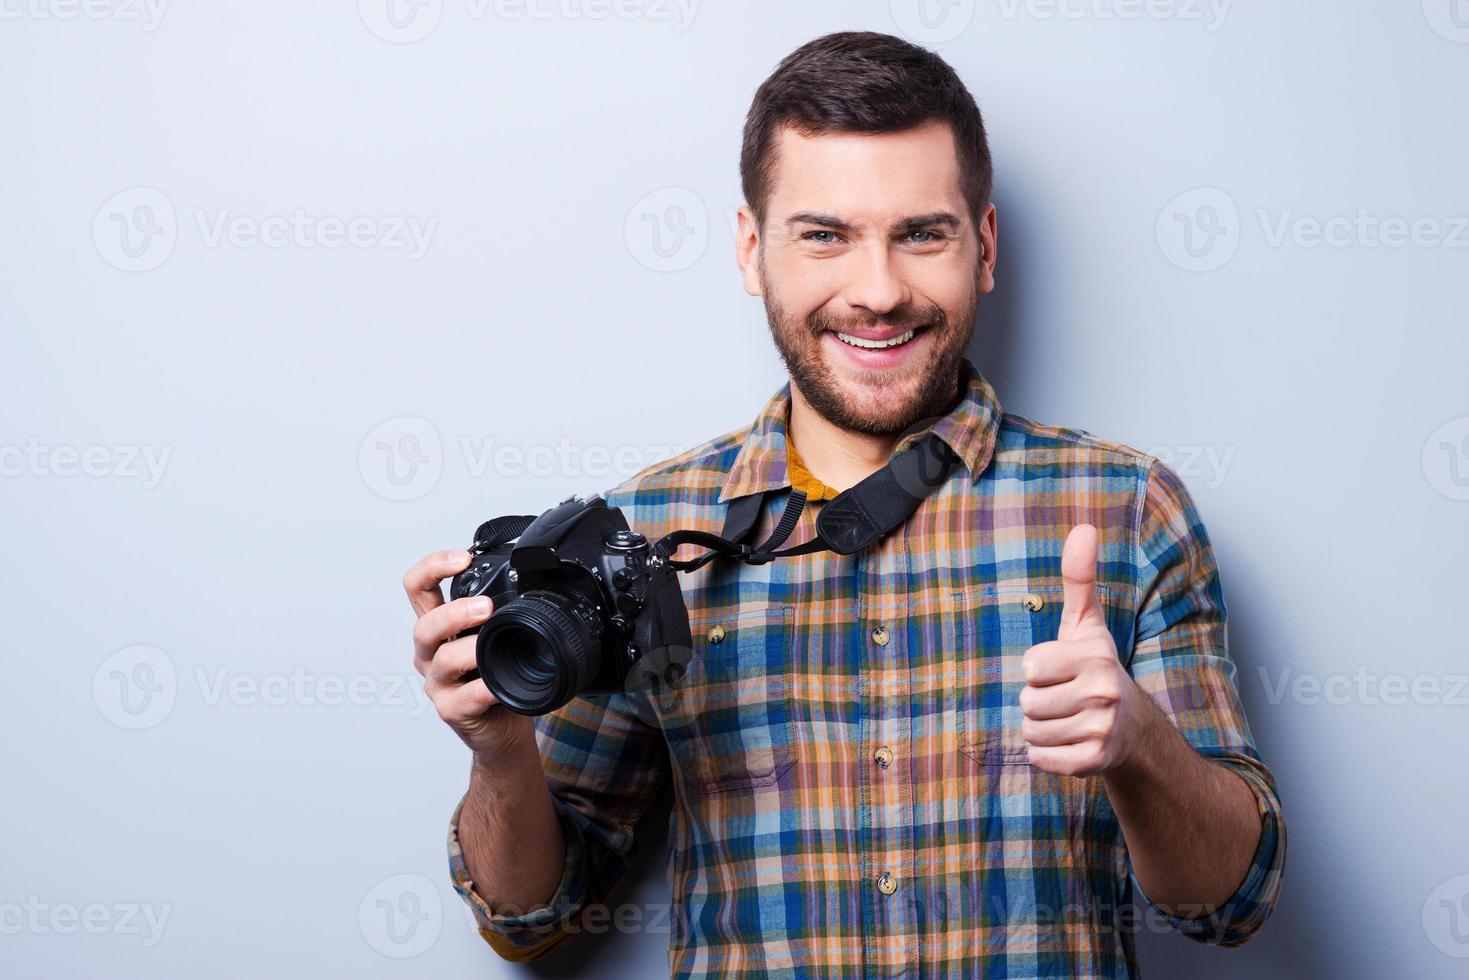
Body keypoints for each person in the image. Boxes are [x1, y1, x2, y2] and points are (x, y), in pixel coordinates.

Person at [404, 30, 1285, 978]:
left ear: (982, 247)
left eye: (921, 233)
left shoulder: (1123, 509)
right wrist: (499, 750)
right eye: (824, 235)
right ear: (752, 249)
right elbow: (533, 920)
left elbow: (1226, 902)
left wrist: (1138, 745)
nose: (876, 293)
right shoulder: (640, 536)